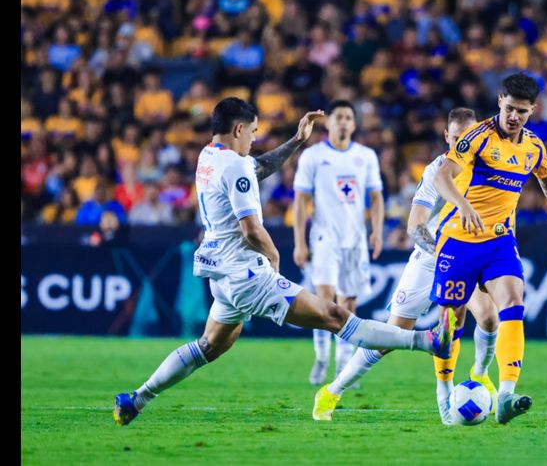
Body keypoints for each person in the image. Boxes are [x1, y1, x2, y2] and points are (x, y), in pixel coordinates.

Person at [113, 98, 455, 426]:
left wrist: (295, 141)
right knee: (335, 316)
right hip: (247, 273)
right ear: (238, 129)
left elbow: (259, 166)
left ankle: (137, 398)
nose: (254, 139)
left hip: (223, 274)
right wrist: (273, 255)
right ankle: (427, 341)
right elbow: (251, 228)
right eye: (253, 131)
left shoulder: (209, 156)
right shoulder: (235, 165)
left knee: (209, 346)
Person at [312, 108, 501, 424]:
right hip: (431, 259)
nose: (462, 144)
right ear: (447, 137)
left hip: (470, 257)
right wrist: (445, 256)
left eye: (468, 137)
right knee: (391, 335)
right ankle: (332, 390)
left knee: (487, 317)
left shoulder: (491, 168)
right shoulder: (437, 171)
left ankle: (475, 377)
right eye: (456, 138)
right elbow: (415, 225)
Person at [429, 73, 547, 424]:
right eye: (510, 108)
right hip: (458, 239)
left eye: (522, 111)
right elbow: (442, 176)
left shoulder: (533, 147)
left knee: (513, 302)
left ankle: (505, 396)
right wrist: (463, 205)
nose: (514, 116)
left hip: (499, 241)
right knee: (451, 322)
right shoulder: (477, 137)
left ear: (533, 110)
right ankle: (444, 389)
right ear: (500, 101)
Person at [292, 100, 386, 386]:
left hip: (354, 239)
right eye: (338, 117)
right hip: (325, 238)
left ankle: (343, 365)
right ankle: (322, 357)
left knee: (348, 302)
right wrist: (299, 242)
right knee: (324, 300)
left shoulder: (366, 156)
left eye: (348, 117)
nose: (343, 121)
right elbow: (300, 200)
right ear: (329, 122)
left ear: (354, 124)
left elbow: (376, 197)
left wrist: (377, 232)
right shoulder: (313, 156)